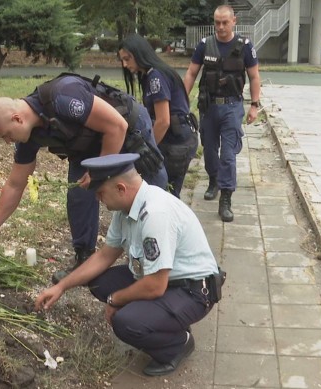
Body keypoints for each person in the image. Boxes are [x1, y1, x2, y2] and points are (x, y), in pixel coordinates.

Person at [34, 153, 221, 376]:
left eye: (101, 193)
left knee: (126, 323)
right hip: (164, 280)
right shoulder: (127, 208)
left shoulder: (155, 214)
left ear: (121, 188)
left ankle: (178, 344)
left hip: (192, 291)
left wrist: (115, 300)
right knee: (98, 282)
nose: (98, 199)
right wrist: (61, 286)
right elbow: (104, 256)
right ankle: (163, 320)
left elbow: (155, 286)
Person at [0, 74, 168, 283]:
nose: (7, 141)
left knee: (148, 194)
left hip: (129, 127)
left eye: (5, 135)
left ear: (17, 119)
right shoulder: (27, 137)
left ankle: (162, 261)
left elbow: (117, 127)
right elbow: (15, 184)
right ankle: (85, 259)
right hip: (87, 143)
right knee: (79, 194)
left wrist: (98, 174)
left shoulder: (64, 97)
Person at [183, 5, 261, 222]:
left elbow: (254, 77)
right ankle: (213, 180)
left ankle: (226, 197)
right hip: (209, 107)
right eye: (217, 22)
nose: (221, 26)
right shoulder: (204, 45)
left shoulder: (244, 46)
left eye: (225, 22)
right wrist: (181, 101)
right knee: (208, 149)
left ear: (234, 21)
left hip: (232, 107)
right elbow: (191, 73)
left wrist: (254, 105)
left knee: (228, 154)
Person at [119, 34, 199, 198]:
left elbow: (163, 121)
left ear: (139, 53)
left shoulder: (156, 77)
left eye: (127, 58)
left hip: (176, 144)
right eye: (122, 60)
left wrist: (147, 150)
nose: (125, 64)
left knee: (166, 198)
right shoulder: (150, 74)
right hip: (178, 139)